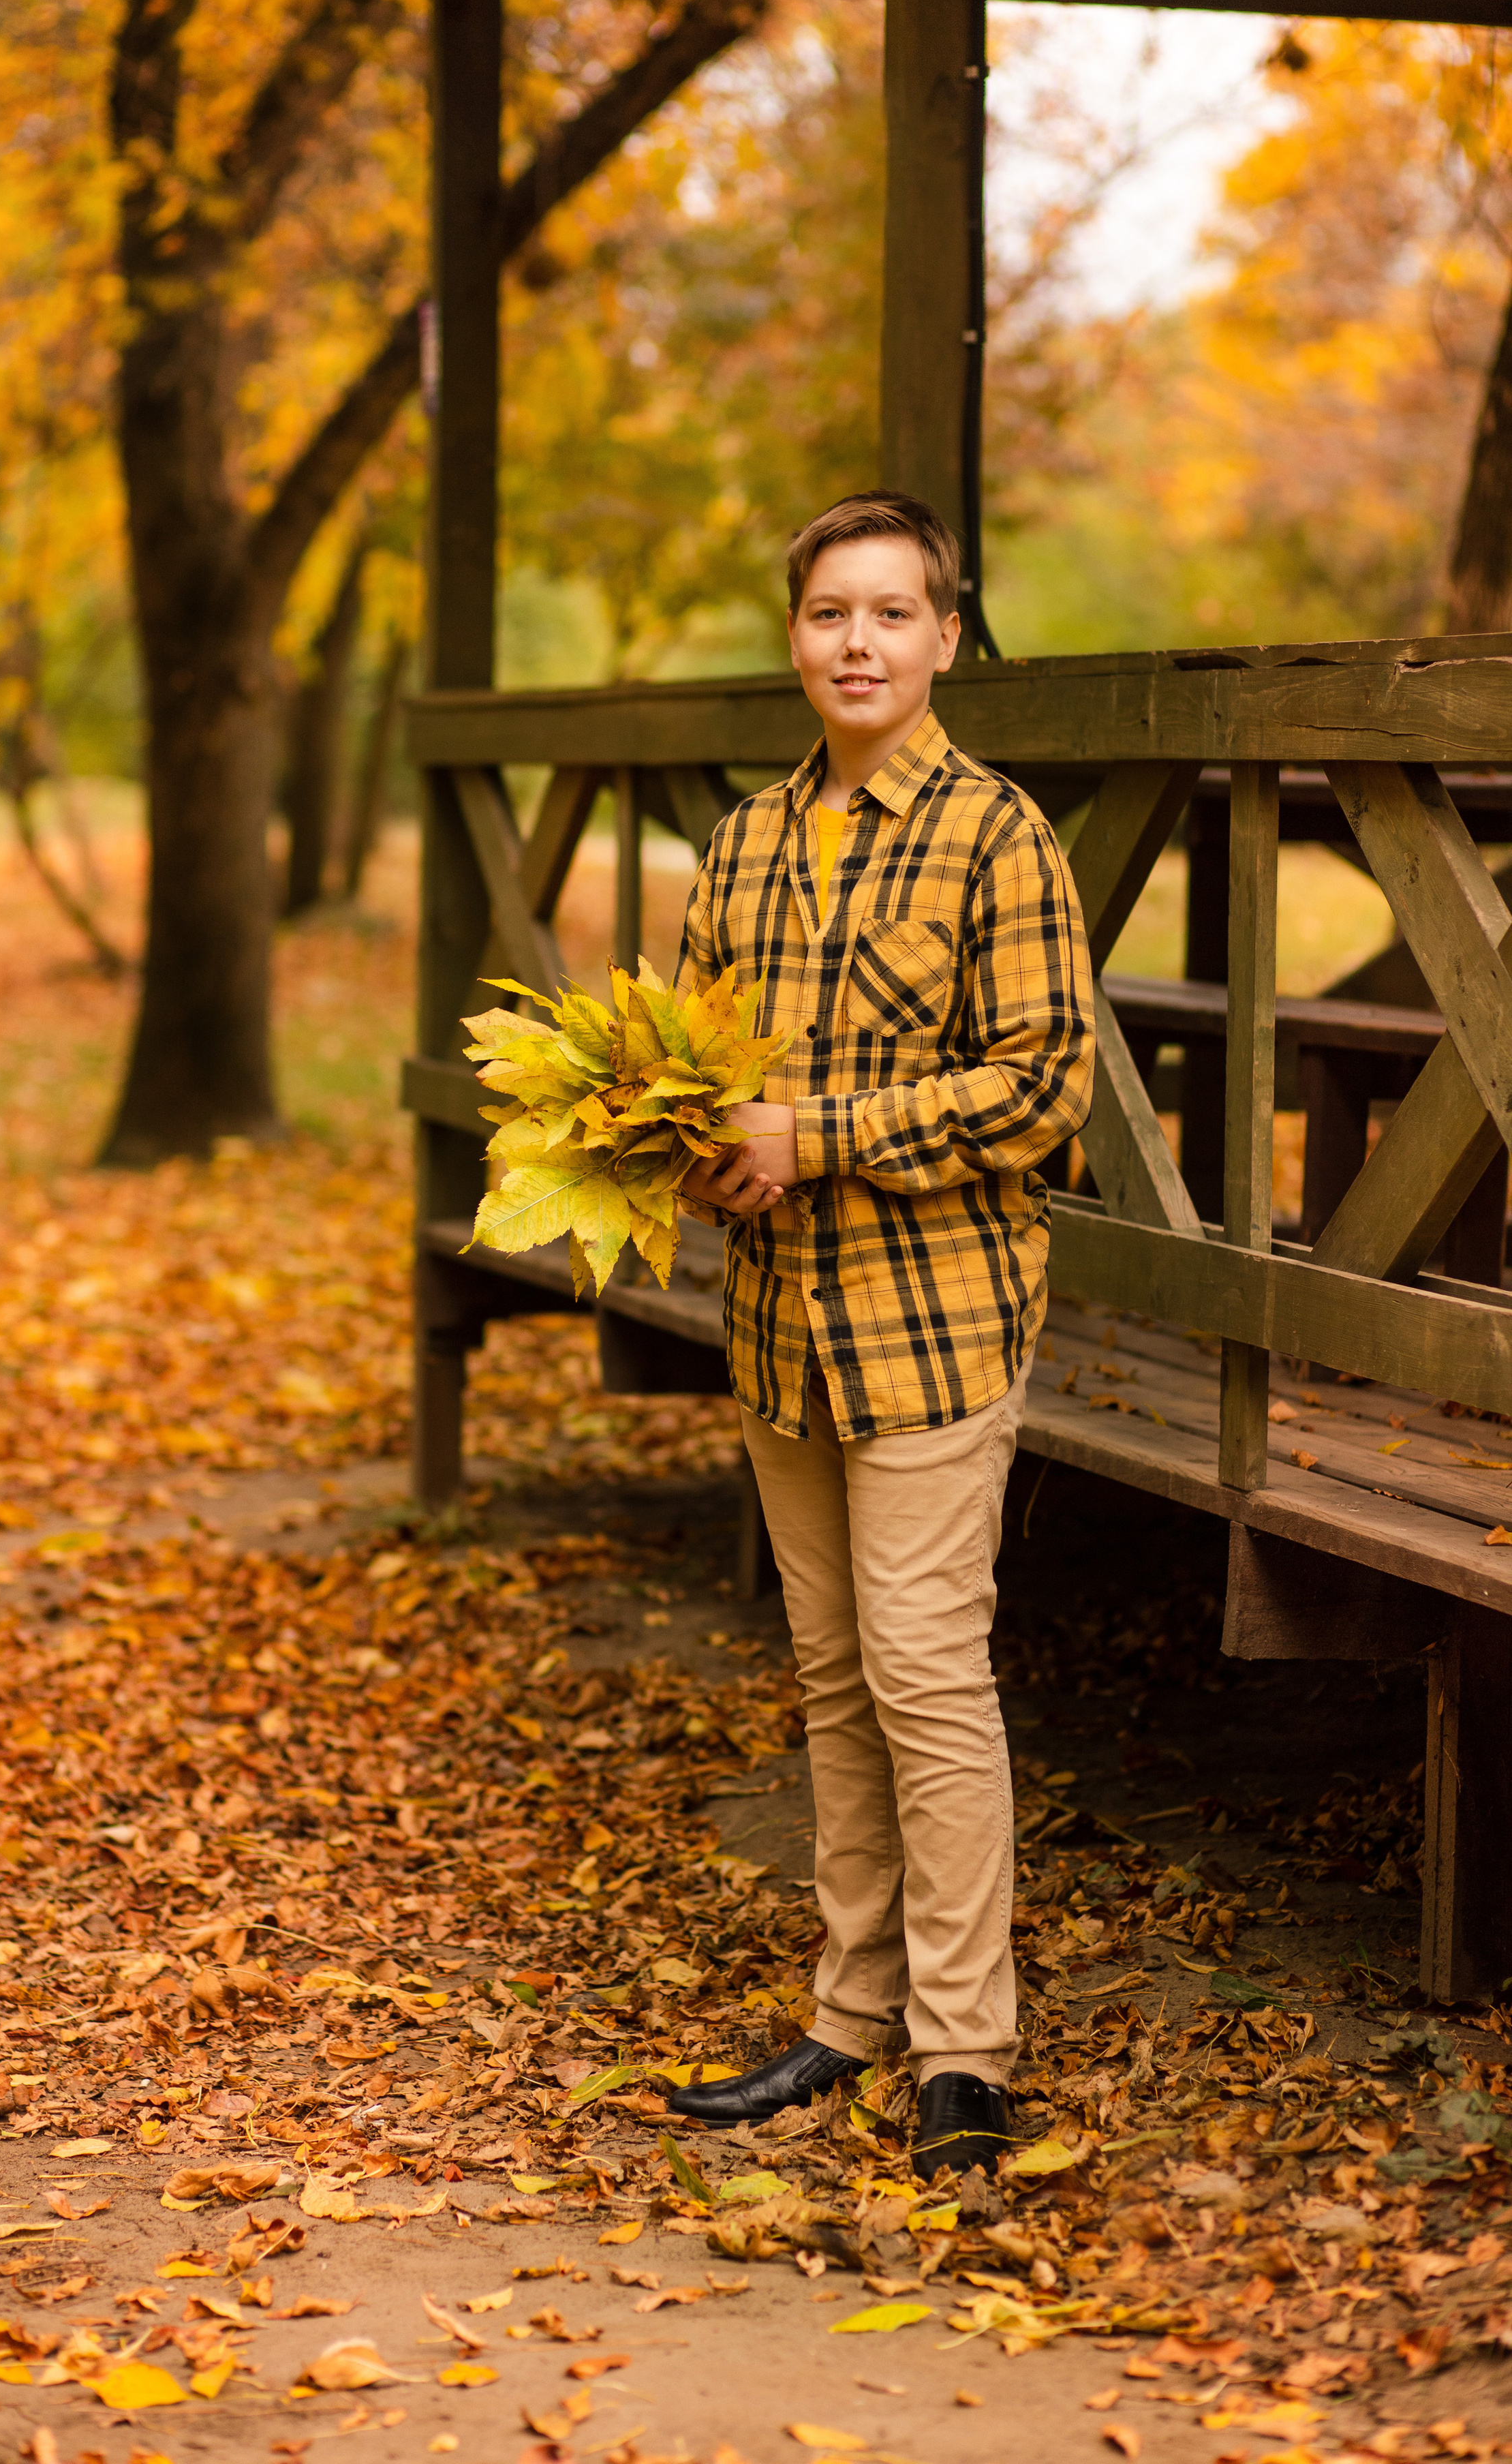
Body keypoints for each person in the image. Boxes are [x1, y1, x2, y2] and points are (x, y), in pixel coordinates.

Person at [667, 489, 1095, 2178]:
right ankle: (847, 2019)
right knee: (834, 1679)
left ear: (943, 638)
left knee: (926, 1679)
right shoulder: (745, 844)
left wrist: (819, 1137)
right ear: (796, 634)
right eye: (829, 613)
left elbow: (1042, 1083)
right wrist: (700, 1153)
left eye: (889, 614)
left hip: (933, 1328)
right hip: (779, 1329)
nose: (856, 642)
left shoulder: (997, 837)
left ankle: (963, 2053)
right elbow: (706, 1064)